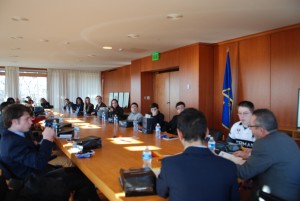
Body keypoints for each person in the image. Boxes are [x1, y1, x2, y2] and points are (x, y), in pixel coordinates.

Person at [0, 104, 101, 201]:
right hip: (34, 183)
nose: (31, 122)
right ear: (13, 122)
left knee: (82, 174)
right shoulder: (12, 143)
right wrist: (47, 140)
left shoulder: (13, 135)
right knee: (84, 178)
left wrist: (43, 142)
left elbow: (33, 154)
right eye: (26, 119)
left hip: (35, 174)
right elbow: (39, 163)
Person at [156, 108, 239, 201]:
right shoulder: (229, 166)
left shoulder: (169, 164)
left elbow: (161, 192)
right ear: (207, 132)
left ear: (179, 134)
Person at [237, 109, 300, 201]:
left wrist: (221, 160)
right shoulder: (287, 138)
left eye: (251, 126)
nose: (250, 129)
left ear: (261, 130)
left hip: (274, 197)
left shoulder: (263, 144)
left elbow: (244, 173)